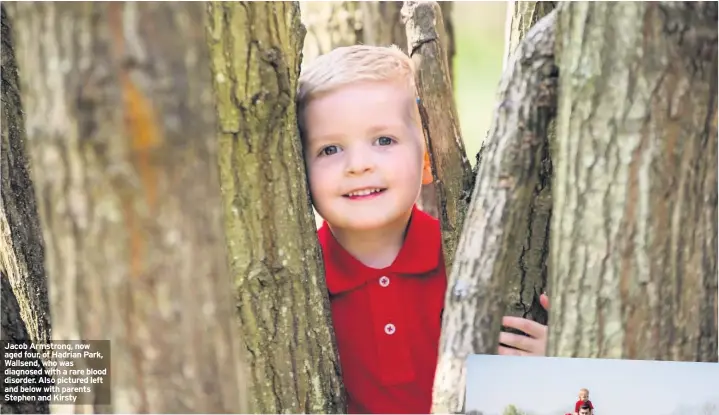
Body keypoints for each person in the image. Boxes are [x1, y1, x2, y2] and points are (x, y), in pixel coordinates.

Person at [297, 44, 550, 414]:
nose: (358, 165)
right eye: (330, 149)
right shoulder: (298, 284)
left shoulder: (468, 260)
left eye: (384, 140)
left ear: (427, 160)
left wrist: (554, 359)